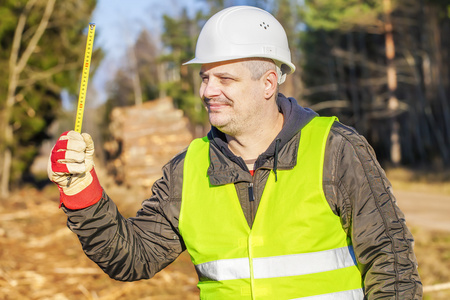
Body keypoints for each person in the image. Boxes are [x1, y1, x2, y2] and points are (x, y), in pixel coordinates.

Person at [48, 5, 422, 299]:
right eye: (205, 77)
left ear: (268, 84)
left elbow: (393, 267)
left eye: (225, 78)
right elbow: (131, 258)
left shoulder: (337, 150)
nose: (208, 90)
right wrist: (82, 191)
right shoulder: (187, 171)